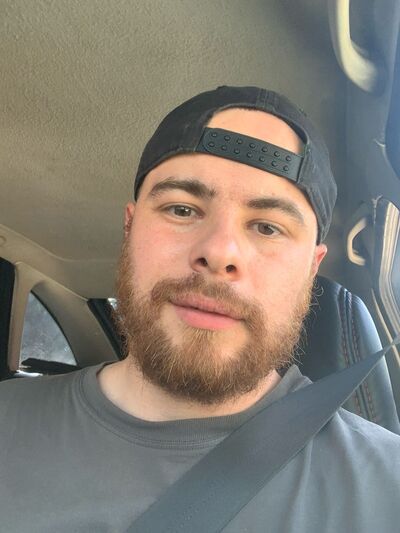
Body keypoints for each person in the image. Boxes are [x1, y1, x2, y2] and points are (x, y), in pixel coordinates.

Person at [1, 86, 399, 532]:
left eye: (268, 227)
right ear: (129, 228)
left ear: (312, 268)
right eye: (182, 209)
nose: (219, 252)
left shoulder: (388, 489)